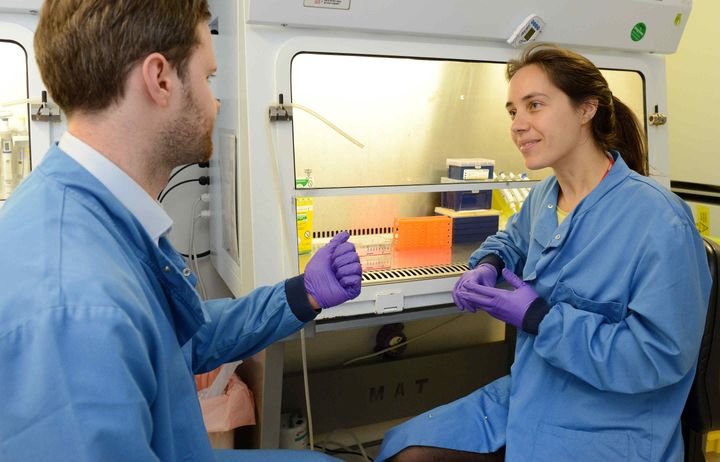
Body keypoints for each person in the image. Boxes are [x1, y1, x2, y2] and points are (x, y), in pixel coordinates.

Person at [0, 1, 361, 461]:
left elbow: (177, 343)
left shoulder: (97, 211)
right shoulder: (74, 306)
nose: (216, 101)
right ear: (161, 79)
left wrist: (301, 294)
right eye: (208, 77)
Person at [375, 44, 712, 462]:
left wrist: (541, 319)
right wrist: (488, 264)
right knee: (402, 449)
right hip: (531, 391)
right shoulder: (545, 197)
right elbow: (509, 241)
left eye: (534, 105)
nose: (518, 125)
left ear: (586, 109)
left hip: (606, 424)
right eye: (513, 111)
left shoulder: (658, 221)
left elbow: (657, 357)